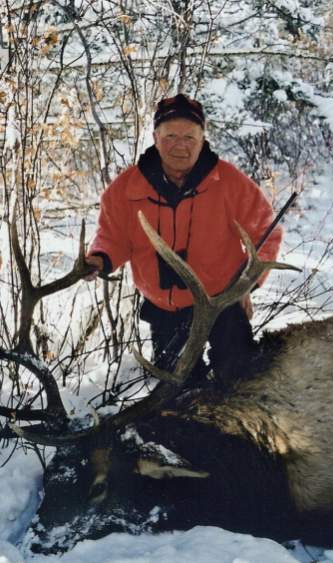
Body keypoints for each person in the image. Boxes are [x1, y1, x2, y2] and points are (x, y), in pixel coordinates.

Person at [84, 93, 282, 385]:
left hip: (220, 303)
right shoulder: (127, 188)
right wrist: (100, 259)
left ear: (203, 138)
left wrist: (248, 284)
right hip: (166, 309)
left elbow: (266, 230)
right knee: (177, 392)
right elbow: (112, 236)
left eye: (189, 137)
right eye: (171, 136)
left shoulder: (227, 181)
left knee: (241, 381)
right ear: (155, 136)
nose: (180, 145)